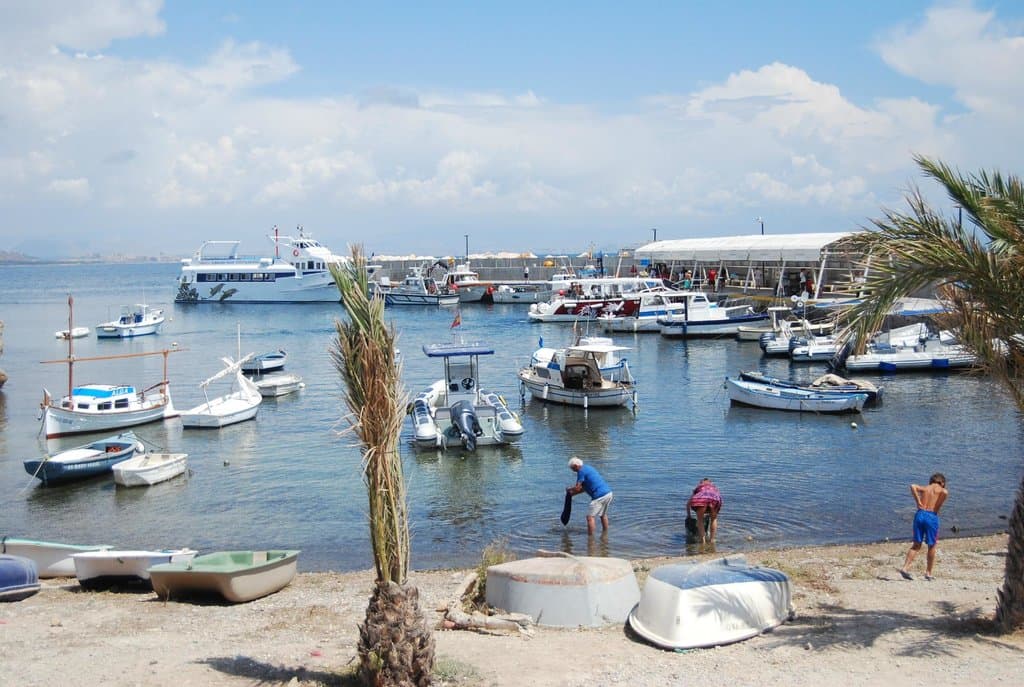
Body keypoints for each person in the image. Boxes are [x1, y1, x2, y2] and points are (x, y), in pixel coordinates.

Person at [899, 473, 949, 581]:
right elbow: (945, 492)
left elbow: (913, 486)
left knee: (916, 544)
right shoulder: (941, 489)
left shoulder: (925, 488)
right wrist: (938, 505)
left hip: (920, 514)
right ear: (942, 482)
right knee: (932, 545)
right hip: (931, 516)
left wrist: (918, 502)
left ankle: (905, 568)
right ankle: (928, 572)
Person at [567, 456, 613, 535]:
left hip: (599, 496)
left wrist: (569, 489)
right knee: (603, 515)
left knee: (590, 517)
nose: (573, 471)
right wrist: (572, 494)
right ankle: (605, 534)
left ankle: (590, 539)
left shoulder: (581, 471)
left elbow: (577, 488)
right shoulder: (588, 468)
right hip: (608, 493)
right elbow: (584, 488)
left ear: (576, 466)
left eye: (572, 468)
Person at [686, 478, 722, 543]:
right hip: (714, 498)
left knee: (700, 520)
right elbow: (716, 498)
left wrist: (689, 516)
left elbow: (688, 504)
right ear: (710, 483)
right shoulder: (714, 488)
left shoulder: (699, 487)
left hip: (701, 499)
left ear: (701, 483)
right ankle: (712, 540)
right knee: (714, 519)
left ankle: (703, 541)